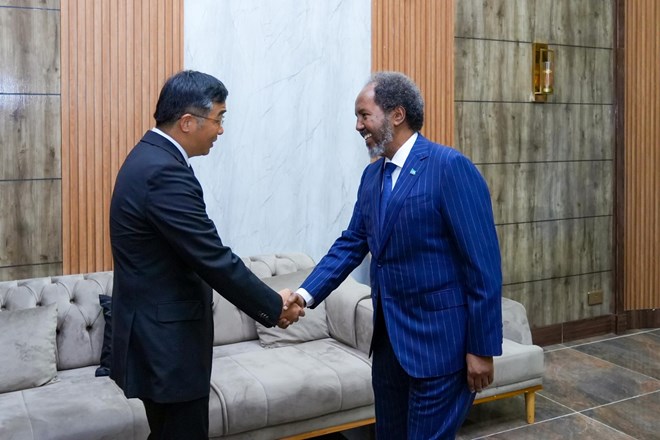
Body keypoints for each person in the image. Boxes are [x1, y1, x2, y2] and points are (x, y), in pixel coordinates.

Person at [285, 71, 503, 438]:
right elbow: (351, 243)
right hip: (389, 351)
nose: (358, 126)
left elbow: (483, 267)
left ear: (397, 114)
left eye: (364, 115)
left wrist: (482, 349)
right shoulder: (372, 177)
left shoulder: (449, 168)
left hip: (441, 349)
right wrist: (304, 296)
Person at [109, 70, 304, 440]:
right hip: (167, 346)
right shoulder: (163, 172)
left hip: (157, 340)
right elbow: (212, 257)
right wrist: (273, 305)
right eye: (218, 118)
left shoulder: (150, 159)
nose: (221, 130)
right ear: (187, 121)